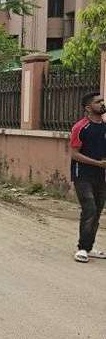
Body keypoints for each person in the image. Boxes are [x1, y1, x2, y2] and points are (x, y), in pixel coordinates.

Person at [70, 91, 106, 263]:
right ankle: (82, 248)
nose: (102, 103)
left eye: (103, 101)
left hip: (100, 176)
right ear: (88, 107)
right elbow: (74, 154)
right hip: (82, 174)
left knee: (97, 211)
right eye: (98, 102)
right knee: (90, 208)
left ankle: (89, 248)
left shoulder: (104, 127)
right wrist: (97, 163)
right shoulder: (80, 127)